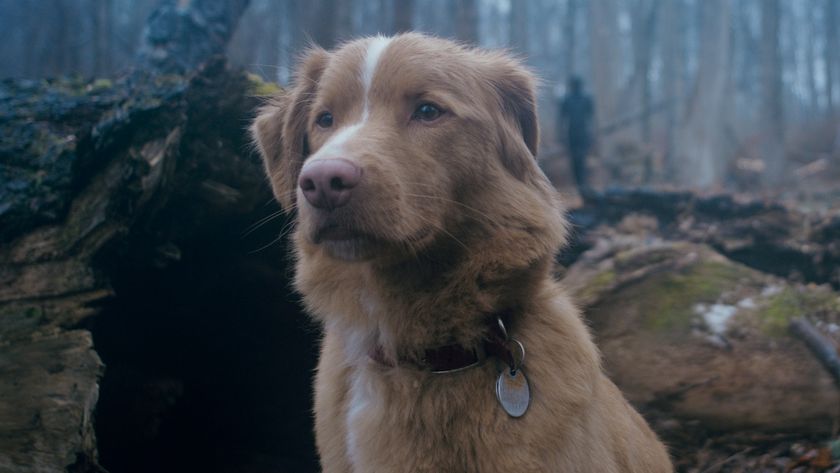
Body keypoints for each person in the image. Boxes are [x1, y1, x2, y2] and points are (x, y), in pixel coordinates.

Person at [558, 76, 595, 197]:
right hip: (575, 134)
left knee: (581, 160)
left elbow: (591, 118)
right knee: (576, 160)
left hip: (580, 133)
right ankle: (580, 185)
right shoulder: (567, 100)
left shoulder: (586, 99)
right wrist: (560, 136)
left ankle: (582, 185)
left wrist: (592, 135)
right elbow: (561, 119)